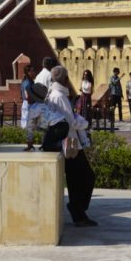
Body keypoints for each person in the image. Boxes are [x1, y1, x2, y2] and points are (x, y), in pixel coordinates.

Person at [42, 66, 97, 227]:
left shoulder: (54, 94)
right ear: (65, 80)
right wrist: (85, 123)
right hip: (71, 143)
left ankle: (78, 213)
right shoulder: (59, 96)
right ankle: (77, 210)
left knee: (75, 180)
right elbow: (71, 121)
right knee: (86, 177)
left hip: (68, 143)